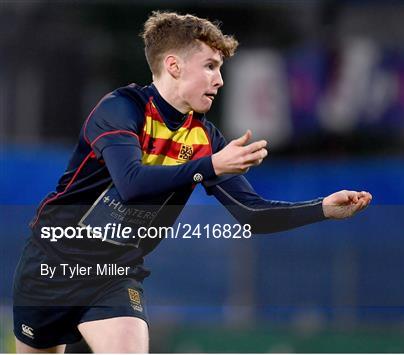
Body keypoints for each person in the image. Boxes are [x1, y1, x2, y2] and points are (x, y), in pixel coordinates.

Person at [12, 11, 373, 353]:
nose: (219, 79)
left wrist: (323, 208)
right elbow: (131, 183)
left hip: (114, 275)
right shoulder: (121, 108)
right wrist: (210, 166)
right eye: (211, 66)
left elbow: (253, 214)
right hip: (51, 265)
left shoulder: (205, 137)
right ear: (173, 65)